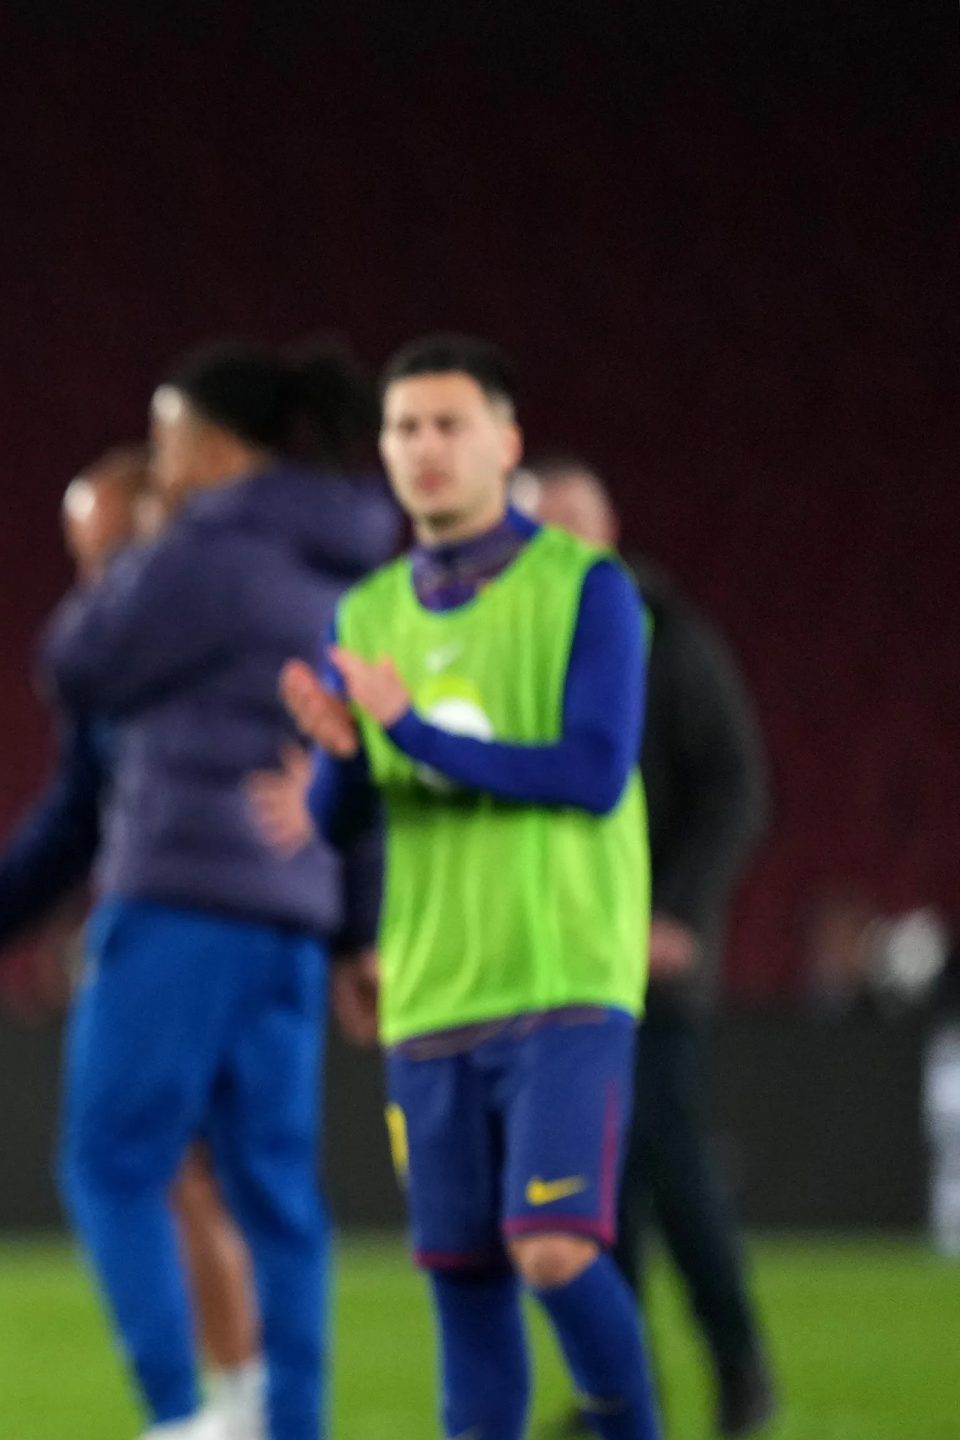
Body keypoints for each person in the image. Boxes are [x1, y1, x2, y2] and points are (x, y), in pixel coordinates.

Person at [0, 347, 397, 1440]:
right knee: (275, 1194)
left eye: (168, 441)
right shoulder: (344, 562)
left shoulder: (205, 550)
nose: (163, 466)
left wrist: (134, 559)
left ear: (208, 447)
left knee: (112, 1161)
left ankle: (178, 1415)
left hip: (182, 889)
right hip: (292, 911)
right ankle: (287, 1422)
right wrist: (359, 930)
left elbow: (74, 662)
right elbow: (360, 756)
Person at [250, 335, 659, 1440]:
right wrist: (341, 756)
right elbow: (345, 816)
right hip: (431, 987)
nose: (424, 448)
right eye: (404, 429)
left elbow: (592, 772)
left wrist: (407, 727)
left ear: (504, 442)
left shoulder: (587, 589)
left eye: (449, 425)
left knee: (553, 1248)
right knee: (464, 1279)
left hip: (562, 973)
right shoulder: (364, 616)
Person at [0, 448, 268, 1438]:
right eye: (85, 561)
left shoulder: (201, 652)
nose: (97, 582)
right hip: (244, 926)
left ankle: (186, 1413)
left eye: (111, 554)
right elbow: (73, 820)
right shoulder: (151, 658)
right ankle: (247, 1406)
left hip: (196, 926)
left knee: (115, 1162)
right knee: (191, 1174)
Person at [525, 460, 778, 1435]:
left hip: (648, 966)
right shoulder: (518, 650)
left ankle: (739, 1369)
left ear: (607, 531)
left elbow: (734, 786)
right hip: (555, 969)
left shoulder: (668, 640)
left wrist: (674, 914)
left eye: (568, 523)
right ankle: (623, 1394)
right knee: (591, 1192)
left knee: (671, 1169)